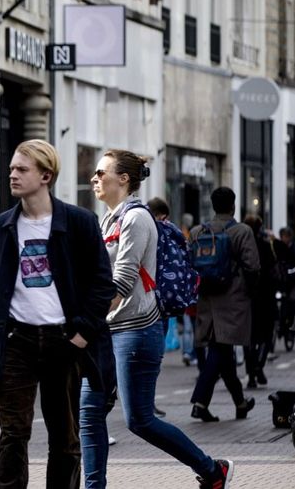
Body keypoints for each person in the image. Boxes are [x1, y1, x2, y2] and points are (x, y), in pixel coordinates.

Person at [82, 150, 234, 489]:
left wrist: (86, 321)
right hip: (107, 331)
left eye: (100, 172)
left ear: (123, 179)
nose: (94, 178)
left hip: (135, 330)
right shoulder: (108, 218)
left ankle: (212, 470)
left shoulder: (137, 218)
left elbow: (122, 279)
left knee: (140, 420)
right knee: (90, 415)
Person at [0, 139, 114, 489]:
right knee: (12, 432)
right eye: (11, 170)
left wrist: (81, 333)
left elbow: (102, 284)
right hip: (15, 341)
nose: (13, 176)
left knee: (65, 436)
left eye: (22, 169)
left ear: (46, 175)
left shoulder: (80, 222)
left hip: (63, 341)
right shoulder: (1, 227)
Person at [189, 187, 259, 424]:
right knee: (220, 350)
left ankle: (240, 403)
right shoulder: (242, 231)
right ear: (233, 205)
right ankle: (199, 402)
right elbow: (252, 267)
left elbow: (191, 265)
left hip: (207, 300)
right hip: (233, 299)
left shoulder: (198, 231)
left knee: (222, 351)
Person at [242, 215, 279, 390]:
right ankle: (258, 365)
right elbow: (274, 269)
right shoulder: (265, 245)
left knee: (248, 337)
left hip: (248, 297)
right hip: (265, 297)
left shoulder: (242, 246)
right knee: (266, 335)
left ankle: (251, 373)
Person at [277, 227, 295, 351]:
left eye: (285, 236)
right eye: (282, 236)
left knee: (293, 303)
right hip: (282, 282)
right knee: (280, 303)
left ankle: (292, 327)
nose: (284, 239)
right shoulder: (278, 249)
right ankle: (280, 327)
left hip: (294, 282)